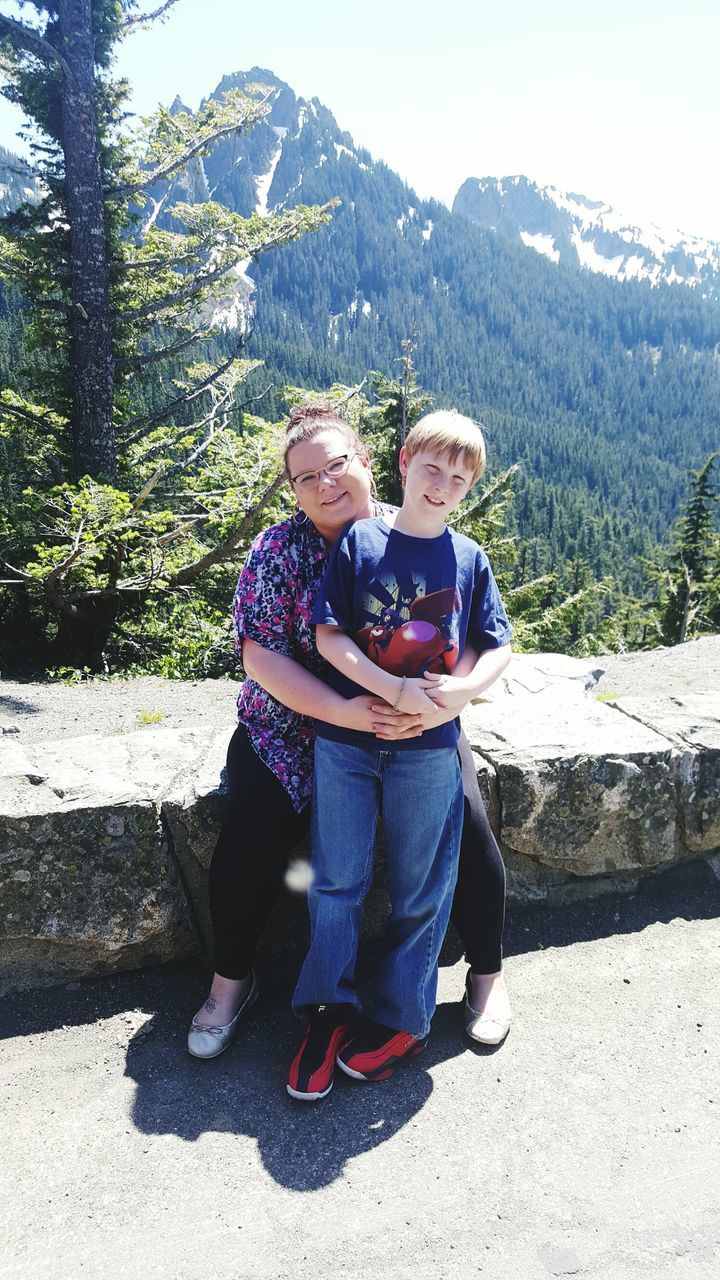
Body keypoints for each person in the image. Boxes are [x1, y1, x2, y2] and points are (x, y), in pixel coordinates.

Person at [187, 404, 513, 1060]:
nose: (326, 483)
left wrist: (445, 706)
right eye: (307, 477)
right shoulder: (276, 550)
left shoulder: (416, 528)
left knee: (469, 830)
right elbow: (260, 657)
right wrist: (341, 713)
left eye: (337, 464)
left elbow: (471, 638)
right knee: (251, 832)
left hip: (412, 729)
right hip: (290, 732)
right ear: (293, 490)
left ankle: (487, 977)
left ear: (367, 461)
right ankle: (231, 983)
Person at [287, 410, 512, 1100]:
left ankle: (404, 1018)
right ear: (404, 462)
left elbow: (496, 644)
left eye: (458, 478)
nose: (441, 485)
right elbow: (331, 637)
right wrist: (396, 689)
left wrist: (458, 694)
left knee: (423, 887)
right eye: (431, 469)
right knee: (336, 879)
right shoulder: (360, 541)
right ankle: (329, 1012)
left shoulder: (469, 558)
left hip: (428, 749)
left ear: (469, 486)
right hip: (348, 743)